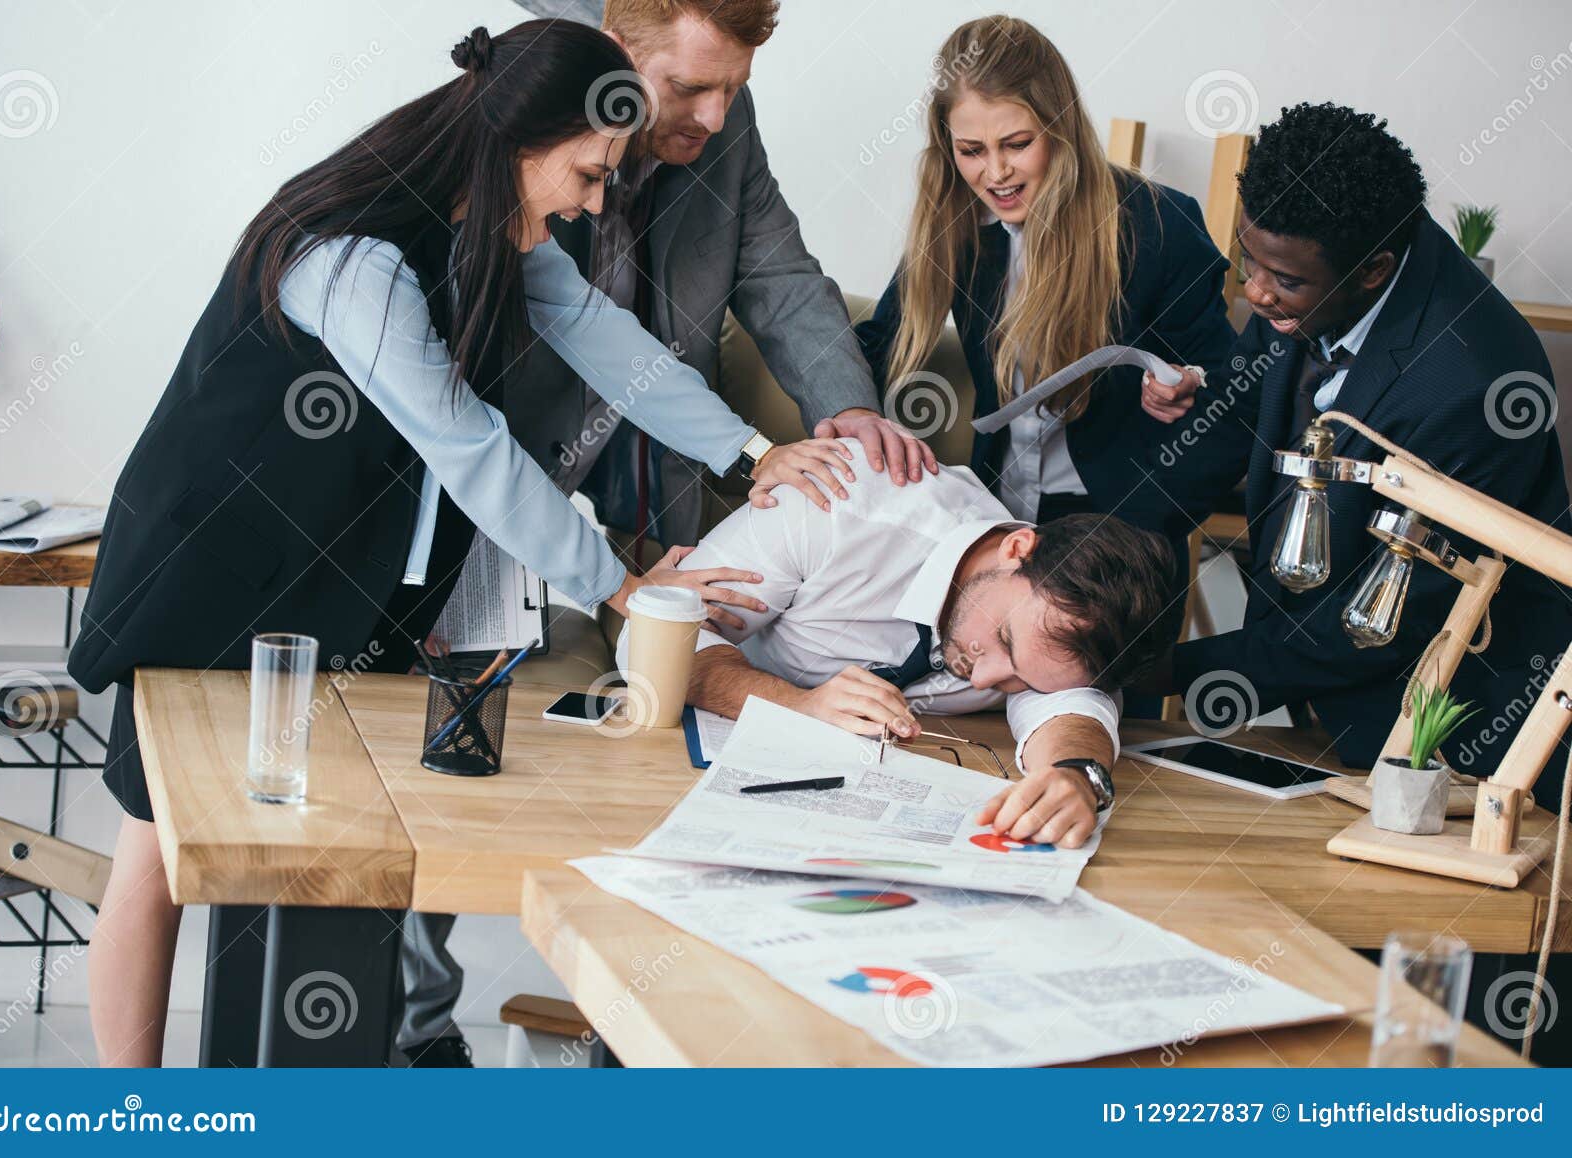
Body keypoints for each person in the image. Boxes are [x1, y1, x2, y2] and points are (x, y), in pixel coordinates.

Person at [67, 20, 876, 1068]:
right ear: (519, 142)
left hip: (326, 577)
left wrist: (750, 452)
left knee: (305, 855)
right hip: (215, 567)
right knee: (159, 850)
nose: (592, 203)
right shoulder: (352, 253)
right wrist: (621, 587)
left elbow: (599, 335)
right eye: (586, 174)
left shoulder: (486, 223)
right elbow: (471, 450)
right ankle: (130, 1113)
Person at [1139, 101, 1571, 811]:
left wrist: (1160, 671)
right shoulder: (1309, 259)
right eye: (1248, 257)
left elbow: (1374, 625)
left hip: (1453, 744)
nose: (1254, 290)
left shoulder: (1476, 381)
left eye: (1281, 281)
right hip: (1327, 700)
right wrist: (1109, 552)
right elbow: (1239, 421)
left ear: (1373, 272)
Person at [507, 0, 933, 566]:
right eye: (690, 87)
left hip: (657, 461)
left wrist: (850, 409)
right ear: (618, 55)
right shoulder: (534, 104)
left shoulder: (729, 124)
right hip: (511, 454)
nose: (713, 116)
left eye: (733, 88)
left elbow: (784, 281)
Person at [617, 440, 1181, 848]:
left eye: (1020, 681)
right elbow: (652, 640)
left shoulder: (1053, 636)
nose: (983, 681)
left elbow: (1072, 707)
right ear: (1017, 549)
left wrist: (1077, 776)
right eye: (1003, 641)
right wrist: (797, 705)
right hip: (694, 786)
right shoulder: (835, 507)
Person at [854, 16, 1234, 585]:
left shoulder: (1160, 223)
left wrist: (1189, 382)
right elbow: (881, 341)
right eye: (971, 150)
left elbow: (1229, 392)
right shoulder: (957, 223)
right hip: (994, 517)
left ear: (1061, 129)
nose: (996, 172)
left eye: (1017, 144)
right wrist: (835, 417)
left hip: (1121, 531)